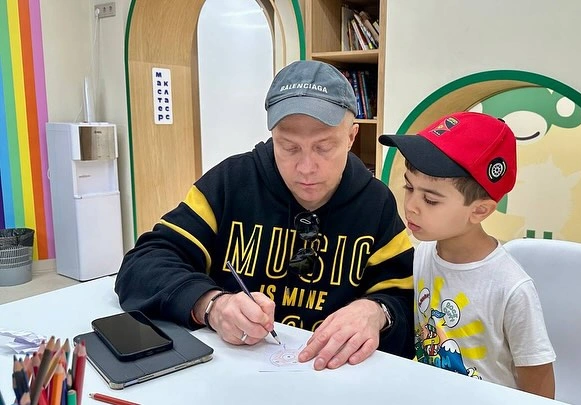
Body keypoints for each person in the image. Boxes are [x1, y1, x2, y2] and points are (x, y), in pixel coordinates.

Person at [115, 60, 414, 370]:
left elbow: (406, 299)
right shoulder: (229, 184)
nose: (306, 168)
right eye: (288, 147)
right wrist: (211, 304)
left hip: (334, 377)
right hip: (229, 370)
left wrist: (376, 312)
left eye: (324, 147)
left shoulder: (375, 203)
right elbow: (143, 264)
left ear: (351, 137)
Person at [379, 112, 556, 398]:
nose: (411, 205)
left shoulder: (511, 288)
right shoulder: (421, 255)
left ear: (479, 210)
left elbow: (538, 375)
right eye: (409, 187)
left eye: (430, 199)